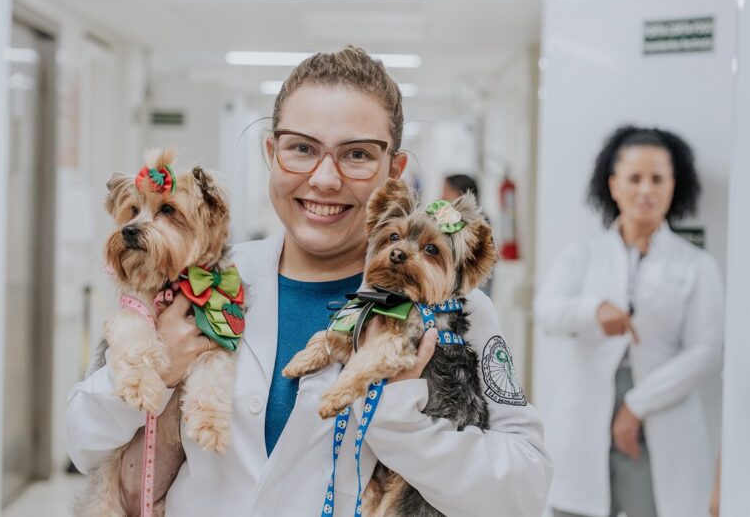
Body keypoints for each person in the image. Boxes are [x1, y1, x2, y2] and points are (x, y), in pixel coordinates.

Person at [66, 46, 552, 516]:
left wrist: (402, 420)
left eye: (357, 154)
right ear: (271, 153)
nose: (324, 178)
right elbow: (83, 443)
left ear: (395, 171)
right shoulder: (197, 288)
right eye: (301, 149)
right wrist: (160, 369)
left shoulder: (451, 310)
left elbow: (524, 488)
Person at [534, 126, 724, 517]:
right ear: (614, 185)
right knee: (577, 507)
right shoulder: (582, 255)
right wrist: (593, 311)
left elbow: (707, 350)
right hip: (588, 414)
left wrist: (637, 405)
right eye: (634, 178)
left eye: (657, 178)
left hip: (659, 409)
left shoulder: (697, 265)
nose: (646, 190)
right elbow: (546, 311)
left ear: (674, 185)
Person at [442, 174, 493, 297]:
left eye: (446, 191)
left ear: (459, 195)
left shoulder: (475, 225)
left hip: (470, 291)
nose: (442, 196)